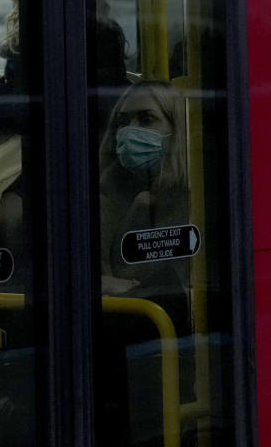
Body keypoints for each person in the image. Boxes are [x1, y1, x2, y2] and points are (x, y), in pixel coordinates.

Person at [96, 80, 191, 447]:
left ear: (175, 129)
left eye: (146, 119)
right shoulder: (107, 188)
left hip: (172, 353)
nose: (131, 131)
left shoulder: (195, 191)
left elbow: (135, 277)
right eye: (124, 121)